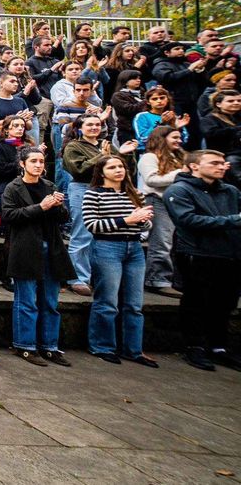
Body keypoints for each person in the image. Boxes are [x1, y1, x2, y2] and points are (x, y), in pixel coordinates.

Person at [165, 150, 241, 371]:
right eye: (214, 163)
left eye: (223, 163)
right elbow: (188, 220)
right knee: (196, 301)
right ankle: (194, 346)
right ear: (194, 166)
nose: (221, 166)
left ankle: (218, 347)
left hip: (230, 254)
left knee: (225, 303)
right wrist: (233, 221)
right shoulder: (179, 190)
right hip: (197, 254)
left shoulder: (231, 191)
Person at [2, 146, 75, 367]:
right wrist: (40, 207)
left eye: (41, 161)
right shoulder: (12, 188)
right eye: (33, 161)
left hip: (51, 248)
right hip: (26, 249)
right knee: (26, 301)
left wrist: (58, 206)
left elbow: (63, 218)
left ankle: (50, 346)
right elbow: (8, 215)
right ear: (22, 164)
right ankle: (25, 345)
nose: (38, 165)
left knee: (50, 302)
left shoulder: (50, 187)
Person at [84, 155, 158, 367]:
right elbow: (93, 225)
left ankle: (133, 349)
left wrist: (143, 222)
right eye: (112, 167)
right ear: (101, 172)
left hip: (134, 247)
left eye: (121, 166)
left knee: (134, 303)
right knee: (107, 300)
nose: (118, 170)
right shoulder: (93, 194)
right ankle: (102, 346)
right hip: (107, 246)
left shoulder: (135, 194)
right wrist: (127, 220)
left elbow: (145, 228)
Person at [63, 113, 135, 294]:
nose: (94, 128)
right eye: (90, 125)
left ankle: (98, 277)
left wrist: (127, 154)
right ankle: (78, 278)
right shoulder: (73, 146)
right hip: (82, 188)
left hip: (107, 190)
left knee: (104, 234)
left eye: (97, 124)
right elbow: (77, 169)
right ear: (80, 128)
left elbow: (125, 169)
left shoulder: (107, 145)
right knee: (82, 234)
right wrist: (101, 156)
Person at [137, 126, 185, 297]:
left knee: (177, 243)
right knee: (161, 242)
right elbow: (151, 180)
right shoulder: (149, 157)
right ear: (161, 138)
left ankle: (175, 280)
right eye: (175, 137)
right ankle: (157, 280)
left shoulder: (178, 156)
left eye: (180, 137)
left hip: (178, 204)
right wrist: (180, 174)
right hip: (157, 201)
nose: (179, 140)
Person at [0, 72, 32, 201]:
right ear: (1, 82)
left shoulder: (20, 101)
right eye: (12, 81)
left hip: (19, 142)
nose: (16, 84)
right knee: (1, 184)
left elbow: (29, 125)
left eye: (17, 82)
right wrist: (12, 119)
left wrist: (22, 120)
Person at [152, 41, 209, 147]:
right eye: (177, 49)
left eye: (182, 49)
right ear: (167, 52)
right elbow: (166, 77)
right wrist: (190, 69)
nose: (181, 51)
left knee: (195, 131)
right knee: (177, 130)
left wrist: (200, 70)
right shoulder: (161, 64)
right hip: (174, 103)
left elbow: (202, 82)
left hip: (191, 103)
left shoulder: (186, 63)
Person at [0, 114, 33, 210]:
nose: (20, 129)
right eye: (16, 126)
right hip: (7, 187)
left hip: (28, 187)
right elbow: (2, 169)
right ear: (6, 129)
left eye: (22, 126)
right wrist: (25, 161)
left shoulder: (27, 145)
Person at [199, 89, 241, 186]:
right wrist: (236, 130)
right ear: (218, 104)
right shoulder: (210, 119)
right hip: (225, 155)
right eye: (231, 101)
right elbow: (210, 134)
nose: (236, 103)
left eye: (239, 100)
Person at [133, 85, 189, 152]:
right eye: (154, 99)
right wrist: (160, 123)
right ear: (148, 102)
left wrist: (178, 128)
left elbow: (183, 140)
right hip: (151, 153)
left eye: (162, 98)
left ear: (167, 99)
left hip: (171, 153)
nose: (159, 101)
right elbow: (143, 139)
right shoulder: (142, 116)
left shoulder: (173, 116)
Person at [111, 70, 147, 145]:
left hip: (143, 128)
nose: (138, 80)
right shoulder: (118, 96)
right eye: (134, 78)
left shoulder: (143, 93)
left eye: (139, 78)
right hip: (127, 130)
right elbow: (129, 109)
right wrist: (146, 101)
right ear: (125, 80)